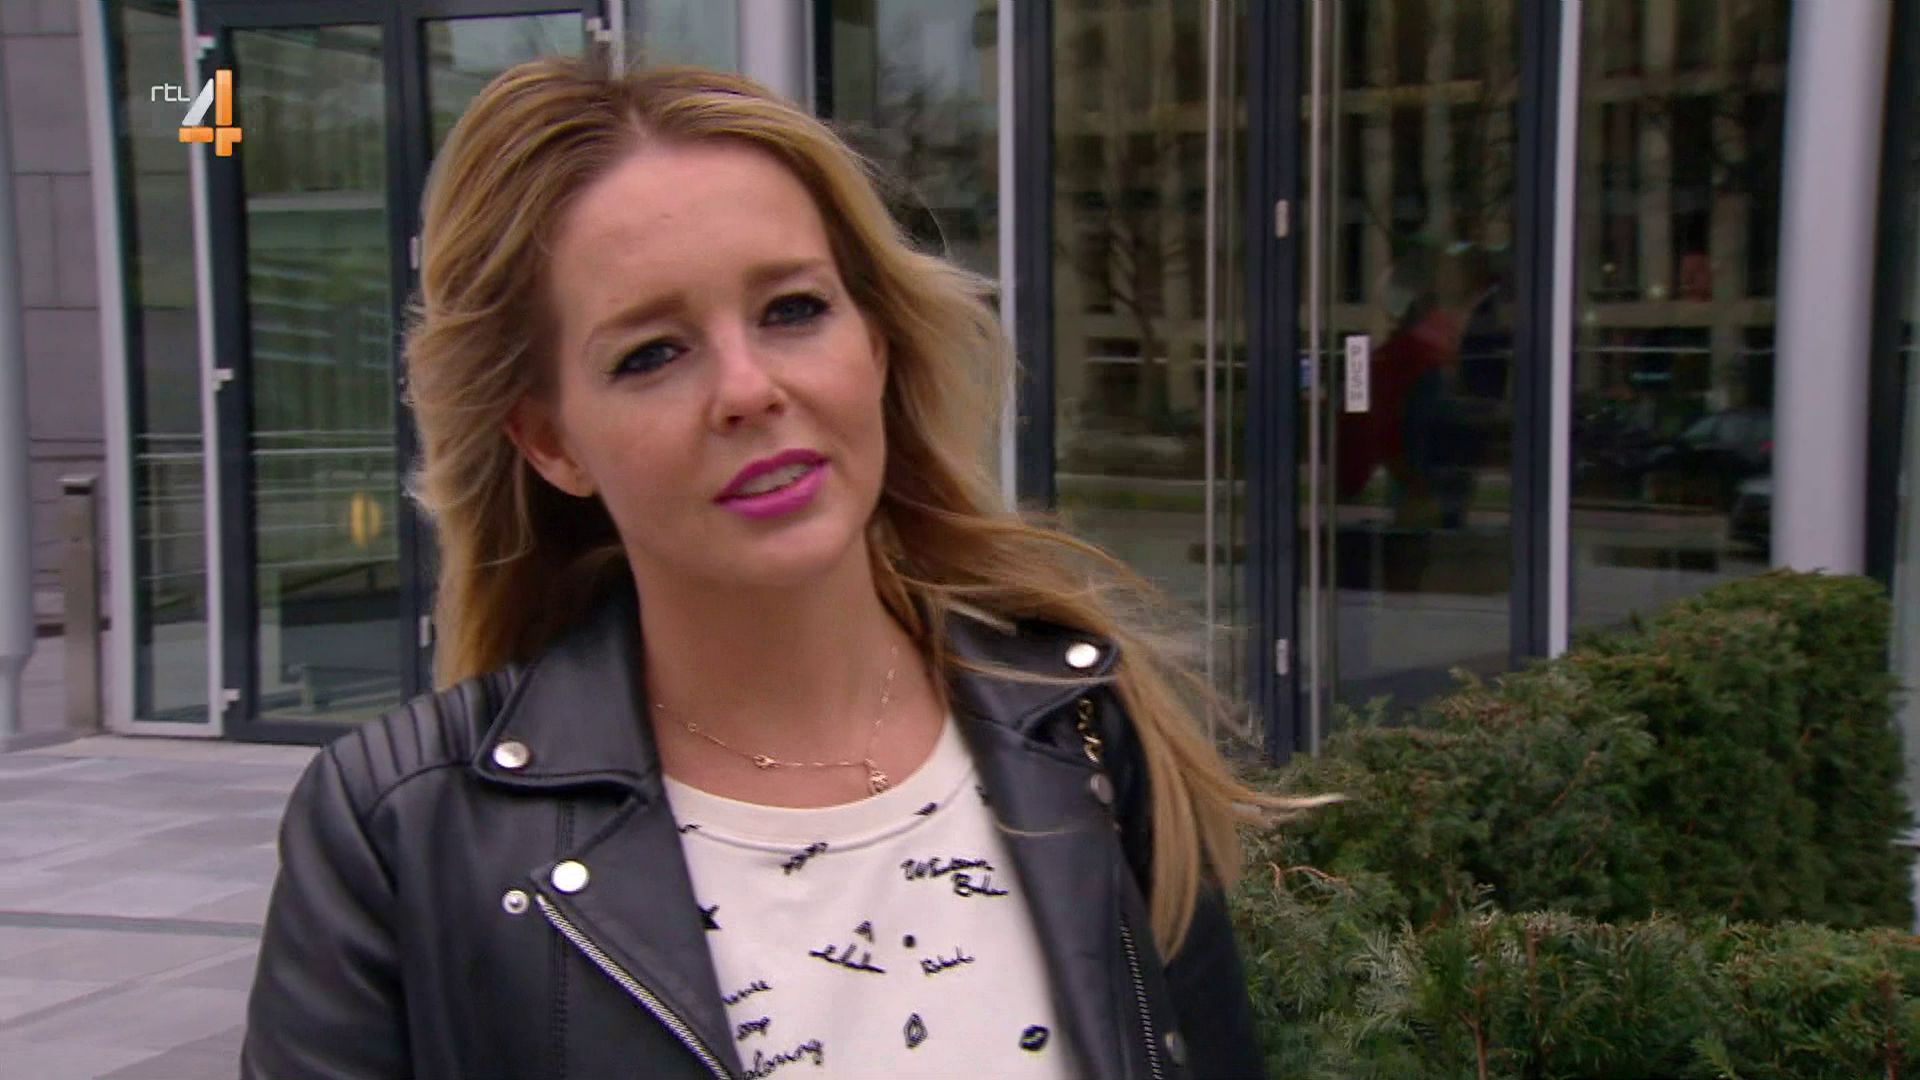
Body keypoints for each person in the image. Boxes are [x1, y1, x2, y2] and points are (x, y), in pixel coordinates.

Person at [241, 55, 1328, 1080]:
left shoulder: (1077, 721)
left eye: (794, 309)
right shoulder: (394, 831)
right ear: (551, 441)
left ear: (875, 345)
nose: (749, 389)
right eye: (651, 353)